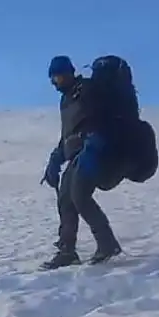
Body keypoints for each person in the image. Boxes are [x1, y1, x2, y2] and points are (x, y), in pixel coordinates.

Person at [41, 55, 124, 268]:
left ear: (68, 72)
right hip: (77, 154)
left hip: (94, 152)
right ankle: (67, 251)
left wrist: (95, 143)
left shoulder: (87, 89)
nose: (54, 82)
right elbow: (68, 134)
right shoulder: (66, 99)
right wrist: (55, 159)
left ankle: (108, 244)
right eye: (52, 78)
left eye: (57, 76)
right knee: (66, 200)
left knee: (79, 195)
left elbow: (100, 120)